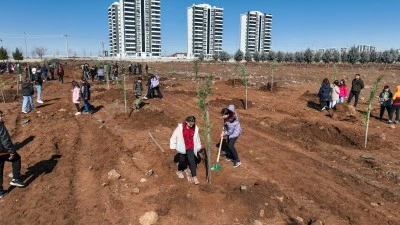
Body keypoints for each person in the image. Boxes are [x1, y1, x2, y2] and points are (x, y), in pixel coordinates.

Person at [0, 110, 26, 198]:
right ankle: (16, 178)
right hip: (3, 151)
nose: (2, 117)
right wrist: (11, 151)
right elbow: (5, 139)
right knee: (16, 158)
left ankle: (0, 192)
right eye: (0, 116)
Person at [170, 116, 202, 185]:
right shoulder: (180, 128)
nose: (191, 125)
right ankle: (179, 171)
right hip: (182, 147)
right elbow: (174, 136)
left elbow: (197, 138)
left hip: (191, 147)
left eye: (192, 124)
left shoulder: (195, 129)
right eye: (189, 123)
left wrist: (198, 146)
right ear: (186, 122)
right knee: (182, 160)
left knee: (192, 161)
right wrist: (173, 145)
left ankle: (194, 177)